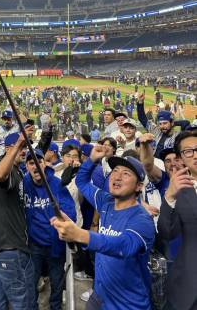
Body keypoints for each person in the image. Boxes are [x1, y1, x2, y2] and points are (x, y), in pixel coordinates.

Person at [51, 144, 155, 309]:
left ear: (138, 186)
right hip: (99, 296)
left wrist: (80, 235)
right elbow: (81, 181)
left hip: (128, 304)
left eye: (126, 173)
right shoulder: (105, 202)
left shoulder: (142, 219)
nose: (117, 177)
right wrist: (92, 159)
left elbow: (124, 246)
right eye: (115, 171)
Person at [0, 127, 35, 310]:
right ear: (8, 149)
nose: (23, 151)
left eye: (24, 148)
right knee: (21, 302)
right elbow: (0, 175)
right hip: (8, 247)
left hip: (10, 246)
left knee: (2, 301)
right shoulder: (4, 168)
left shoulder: (18, 171)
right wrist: (19, 143)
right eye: (18, 147)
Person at [24, 149, 76, 310]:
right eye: (31, 163)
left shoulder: (56, 184)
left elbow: (71, 215)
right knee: (31, 282)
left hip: (55, 244)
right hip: (34, 245)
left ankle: (55, 307)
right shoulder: (23, 183)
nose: (35, 166)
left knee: (56, 282)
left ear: (45, 163)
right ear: (26, 166)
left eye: (38, 162)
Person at [157, 130, 197, 310]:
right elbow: (167, 233)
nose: (195, 155)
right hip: (189, 285)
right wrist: (170, 198)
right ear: (181, 159)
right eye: (189, 151)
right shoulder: (178, 189)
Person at [137, 93, 189, 158]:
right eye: (160, 124)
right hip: (152, 164)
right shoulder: (155, 130)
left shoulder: (178, 136)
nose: (162, 126)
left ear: (172, 123)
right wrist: (140, 102)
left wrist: (173, 123)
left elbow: (186, 123)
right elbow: (142, 118)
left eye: (165, 123)